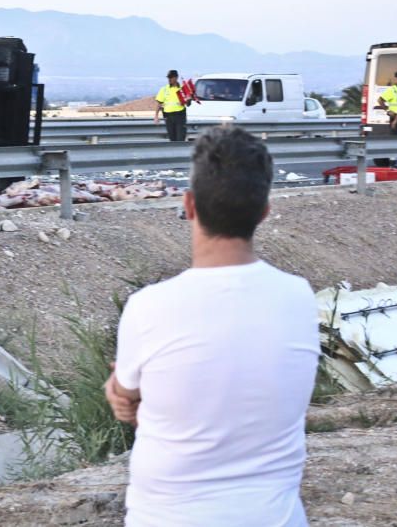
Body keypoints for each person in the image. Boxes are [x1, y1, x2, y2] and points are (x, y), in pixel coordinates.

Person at [104, 126, 320, 526]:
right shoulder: (299, 297)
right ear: (264, 211)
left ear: (189, 204)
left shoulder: (148, 307)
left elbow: (127, 398)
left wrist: (120, 391)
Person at [154, 70, 188, 141]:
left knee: (180, 139)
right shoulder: (164, 89)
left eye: (171, 77)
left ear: (176, 78)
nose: (169, 79)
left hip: (180, 116)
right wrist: (156, 116)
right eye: (168, 77)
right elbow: (159, 103)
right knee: (172, 139)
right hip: (168, 117)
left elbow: (188, 104)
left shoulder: (182, 89)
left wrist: (186, 101)